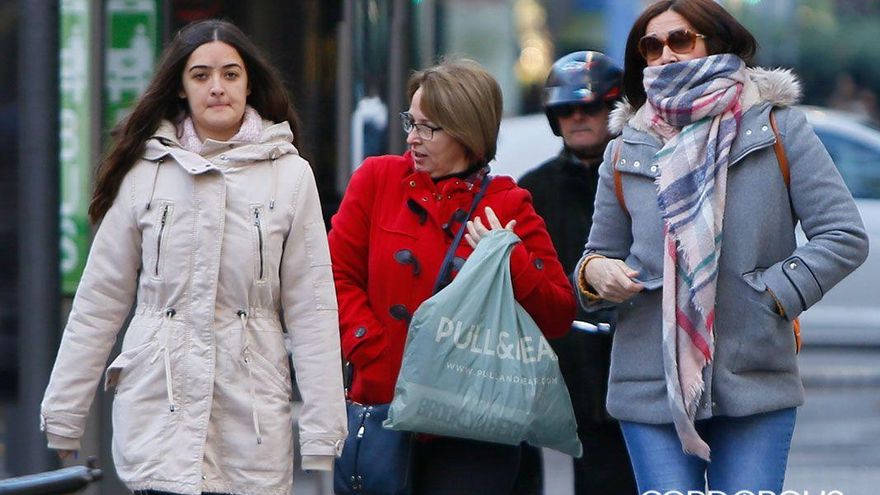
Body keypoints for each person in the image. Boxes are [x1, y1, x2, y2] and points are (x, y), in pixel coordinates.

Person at [40, 19, 347, 495]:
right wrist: (65, 413)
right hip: (159, 412)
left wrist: (322, 431)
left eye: (230, 74)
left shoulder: (290, 175)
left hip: (251, 418)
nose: (217, 87)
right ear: (181, 88)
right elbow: (100, 297)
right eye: (201, 75)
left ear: (249, 83)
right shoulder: (145, 172)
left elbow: (312, 309)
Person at [574, 0, 869, 493]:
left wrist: (770, 295)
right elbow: (594, 254)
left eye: (680, 40)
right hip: (649, 382)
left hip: (753, 375)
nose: (665, 55)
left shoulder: (777, 128)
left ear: (716, 41)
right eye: (652, 46)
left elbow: (843, 235)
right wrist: (597, 274)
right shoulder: (626, 146)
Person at [328, 58, 576, 495]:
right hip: (384, 404)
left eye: (428, 128)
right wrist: (371, 348)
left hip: (474, 425)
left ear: (467, 130)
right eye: (412, 121)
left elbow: (557, 312)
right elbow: (334, 275)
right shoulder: (376, 179)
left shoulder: (509, 204)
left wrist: (508, 258)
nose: (412, 138)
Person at [517, 50, 636, 495]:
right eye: (566, 109)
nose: (578, 117)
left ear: (615, 108)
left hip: (643, 357)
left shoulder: (648, 175)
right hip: (571, 366)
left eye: (591, 106)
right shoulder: (533, 190)